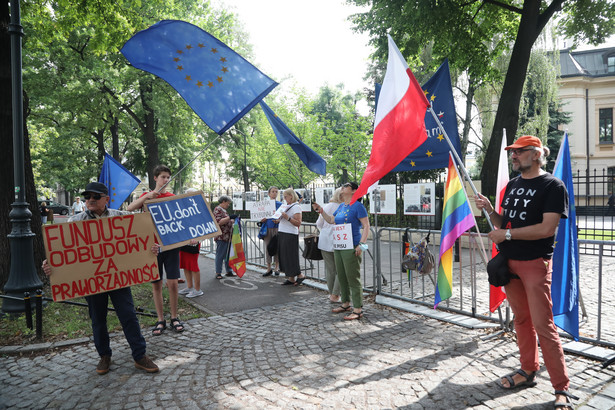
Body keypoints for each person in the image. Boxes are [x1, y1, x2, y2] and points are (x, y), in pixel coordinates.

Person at [474, 135, 577, 410]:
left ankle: (561, 388)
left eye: (519, 152)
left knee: (544, 325)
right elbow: (502, 221)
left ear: (536, 154)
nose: (514, 156)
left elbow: (547, 229)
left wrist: (506, 232)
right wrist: (489, 210)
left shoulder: (553, 186)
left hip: (535, 264)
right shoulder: (512, 185)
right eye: (513, 152)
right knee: (521, 320)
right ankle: (528, 370)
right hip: (510, 262)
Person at [42, 182, 159, 375]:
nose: (90, 200)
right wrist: (49, 265)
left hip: (118, 278)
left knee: (128, 316)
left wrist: (153, 249)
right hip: (92, 280)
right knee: (98, 319)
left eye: (95, 197)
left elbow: (142, 235)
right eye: (87, 197)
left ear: (106, 199)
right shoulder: (75, 221)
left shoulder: (122, 217)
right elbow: (63, 251)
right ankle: (104, 356)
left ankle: (140, 356)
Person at [127, 165, 184, 335]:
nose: (166, 180)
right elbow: (129, 209)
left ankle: (174, 317)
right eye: (163, 177)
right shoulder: (147, 196)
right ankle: (161, 319)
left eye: (168, 177)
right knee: (156, 284)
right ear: (155, 178)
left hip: (170, 245)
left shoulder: (172, 197)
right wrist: (148, 197)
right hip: (151, 248)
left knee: (173, 283)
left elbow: (182, 218)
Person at [313, 182, 370, 320]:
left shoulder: (358, 206)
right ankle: (345, 303)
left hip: (352, 245)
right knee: (342, 276)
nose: (343, 188)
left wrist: (361, 245)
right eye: (343, 186)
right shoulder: (341, 206)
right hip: (339, 245)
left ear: (353, 191)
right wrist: (321, 211)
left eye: (346, 186)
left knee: (352, 277)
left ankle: (357, 308)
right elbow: (331, 220)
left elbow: (366, 225)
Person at [315, 187, 343, 302]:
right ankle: (336, 294)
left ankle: (332, 293)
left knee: (330, 269)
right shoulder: (343, 207)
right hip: (339, 240)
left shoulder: (327, 206)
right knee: (340, 269)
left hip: (325, 240)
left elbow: (319, 223)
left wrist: (325, 231)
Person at [275, 188, 304, 285]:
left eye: (286, 196)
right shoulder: (286, 206)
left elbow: (298, 223)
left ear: (291, 196)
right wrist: (278, 219)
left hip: (290, 233)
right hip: (283, 232)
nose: (285, 198)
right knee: (285, 256)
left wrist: (287, 218)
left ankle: (299, 274)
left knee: (291, 256)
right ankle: (291, 277)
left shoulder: (296, 207)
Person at [213, 195, 237, 279]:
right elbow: (218, 222)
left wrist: (231, 220)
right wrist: (229, 218)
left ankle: (228, 270)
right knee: (220, 255)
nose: (228, 205)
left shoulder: (223, 210)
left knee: (228, 255)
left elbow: (226, 220)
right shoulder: (217, 210)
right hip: (222, 236)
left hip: (228, 236)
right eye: (228, 203)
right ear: (223, 201)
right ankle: (218, 272)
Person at [260, 186, 282, 276]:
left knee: (277, 247)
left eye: (276, 192)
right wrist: (262, 219)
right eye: (273, 191)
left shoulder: (280, 204)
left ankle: (277, 267)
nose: (274, 193)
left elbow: (283, 216)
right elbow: (260, 216)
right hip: (267, 228)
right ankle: (268, 268)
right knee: (268, 248)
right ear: (269, 194)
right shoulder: (264, 204)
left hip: (277, 228)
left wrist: (279, 220)